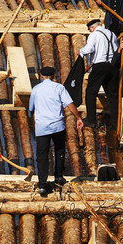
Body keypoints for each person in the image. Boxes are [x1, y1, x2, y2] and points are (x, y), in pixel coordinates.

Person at [28, 66, 84, 196]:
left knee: (42, 156)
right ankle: (58, 176)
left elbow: (31, 108)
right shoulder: (59, 88)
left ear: (41, 76)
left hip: (42, 127)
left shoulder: (36, 90)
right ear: (54, 75)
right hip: (58, 126)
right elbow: (70, 104)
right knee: (59, 151)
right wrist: (78, 118)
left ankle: (42, 184)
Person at [79, 18, 119, 127]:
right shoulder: (112, 34)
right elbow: (116, 49)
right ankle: (116, 122)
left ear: (92, 28)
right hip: (112, 66)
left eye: (90, 30)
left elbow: (88, 49)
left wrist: (80, 52)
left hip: (100, 66)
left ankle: (91, 120)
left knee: (91, 92)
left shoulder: (94, 35)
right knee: (112, 95)